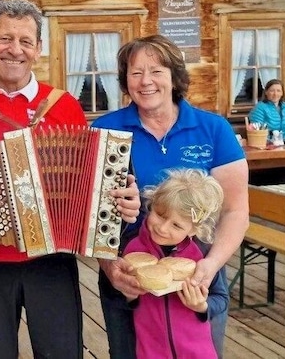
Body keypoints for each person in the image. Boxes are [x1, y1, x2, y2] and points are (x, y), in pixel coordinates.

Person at [0, 0, 141, 358]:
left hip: (53, 258)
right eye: (4, 39)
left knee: (61, 353)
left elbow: (88, 181)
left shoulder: (63, 105)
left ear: (38, 49)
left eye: (25, 41)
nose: (14, 50)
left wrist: (119, 199)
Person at [92, 34, 249, 358]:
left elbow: (235, 211)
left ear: (174, 76)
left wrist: (210, 265)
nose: (145, 81)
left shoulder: (213, 129)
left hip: (195, 274)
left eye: (156, 71)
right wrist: (111, 271)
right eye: (135, 73)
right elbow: (88, 213)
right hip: (128, 271)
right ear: (125, 81)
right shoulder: (104, 130)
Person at [124, 168, 228, 359]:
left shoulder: (203, 256)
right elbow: (126, 300)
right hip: (150, 350)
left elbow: (221, 298)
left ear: (193, 230)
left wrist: (202, 306)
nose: (163, 228)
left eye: (177, 225)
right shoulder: (134, 251)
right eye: (160, 215)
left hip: (197, 351)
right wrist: (130, 295)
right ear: (152, 204)